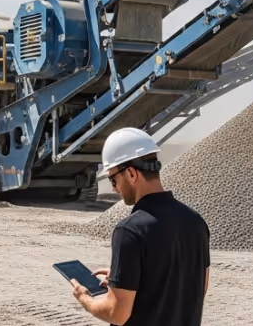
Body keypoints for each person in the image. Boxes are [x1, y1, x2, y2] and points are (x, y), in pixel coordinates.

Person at [71, 127, 210, 325]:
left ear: (131, 173)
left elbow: (117, 313)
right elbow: (197, 286)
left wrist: (85, 298)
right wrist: (126, 279)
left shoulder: (129, 231)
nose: (113, 188)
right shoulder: (196, 222)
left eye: (113, 179)